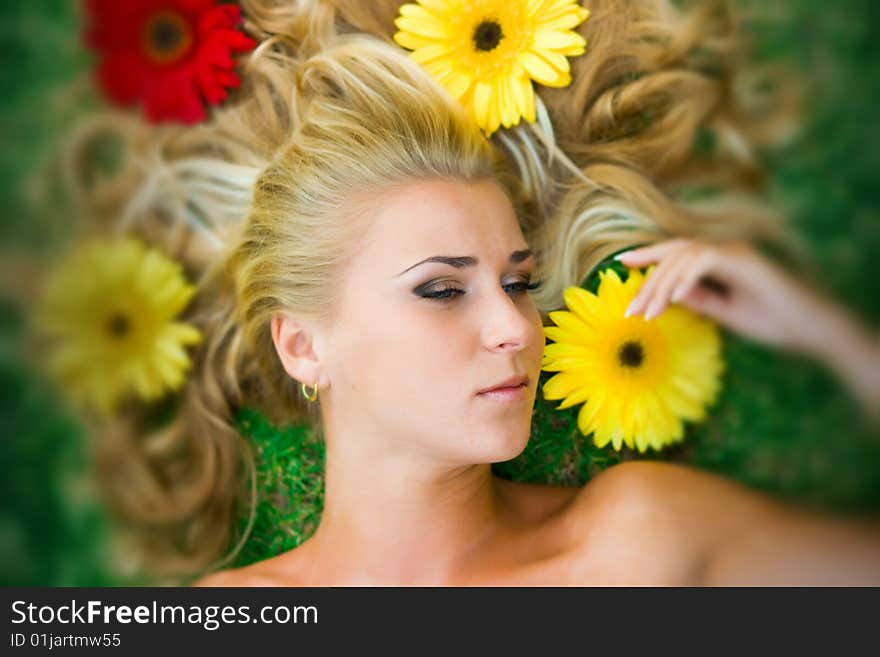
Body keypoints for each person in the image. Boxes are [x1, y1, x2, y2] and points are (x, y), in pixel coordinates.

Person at [58, 0, 879, 585]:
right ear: (305, 344)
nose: (517, 328)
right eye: (442, 289)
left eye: (518, 281)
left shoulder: (638, 544)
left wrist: (835, 340)